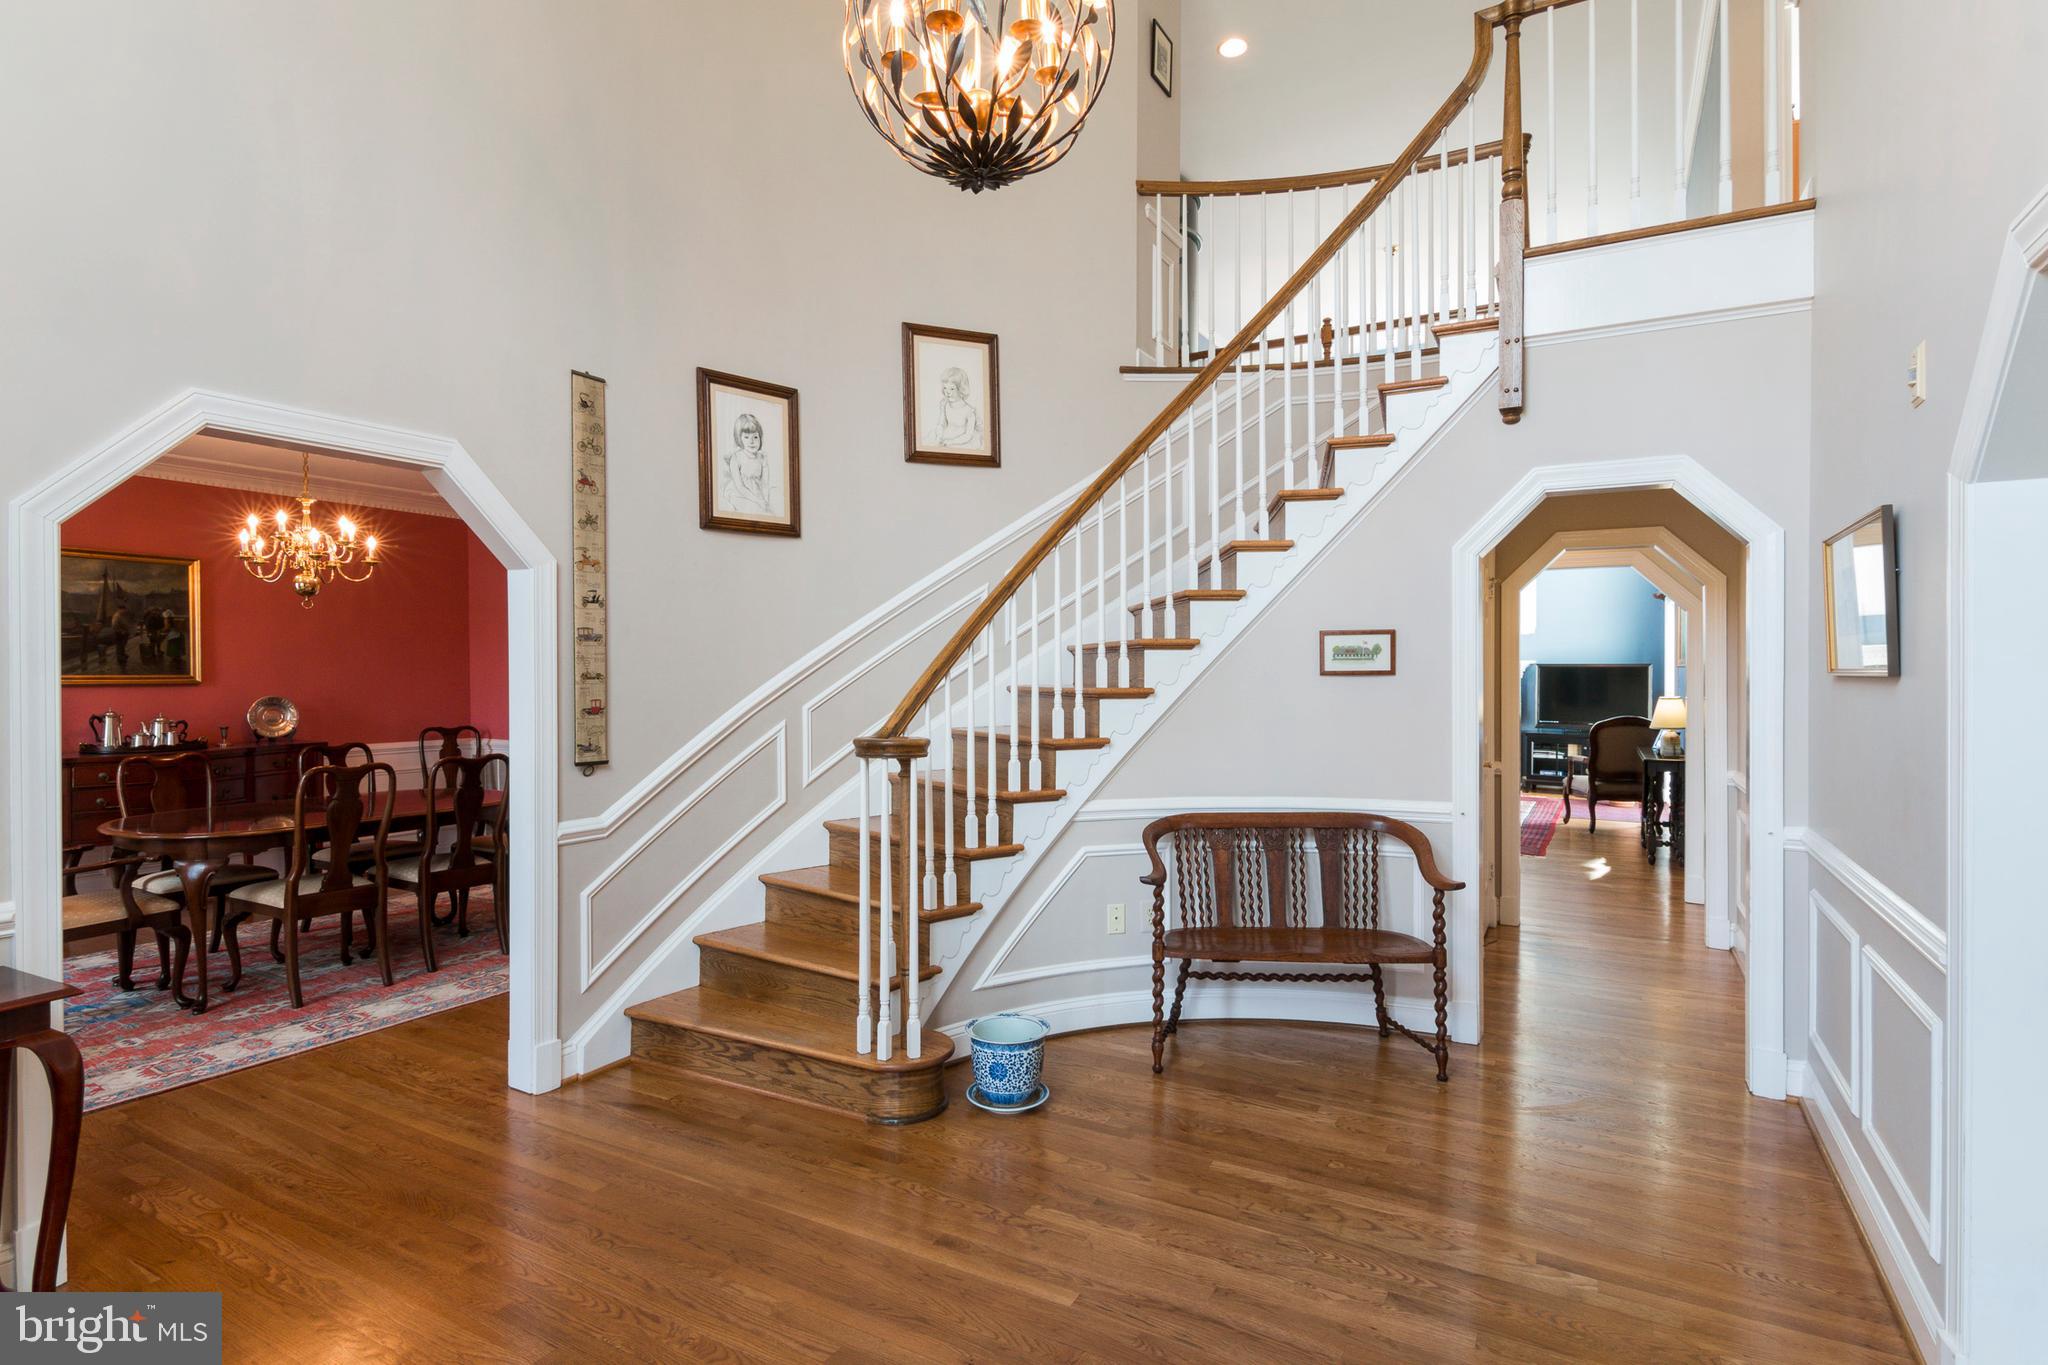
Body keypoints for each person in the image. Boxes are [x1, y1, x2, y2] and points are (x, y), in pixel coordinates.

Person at [720, 412, 778, 518]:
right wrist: (757, 500)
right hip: (740, 494)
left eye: (755, 437)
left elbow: (765, 483)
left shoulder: (762, 458)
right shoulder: (736, 458)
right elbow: (740, 486)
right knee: (753, 510)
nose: (752, 441)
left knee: (768, 512)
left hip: (757, 493)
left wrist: (764, 500)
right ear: (740, 439)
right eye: (746, 437)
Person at [926, 365, 984, 450]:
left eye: (952, 389)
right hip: (945, 437)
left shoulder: (969, 411)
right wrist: (939, 436)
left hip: (961, 442)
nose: (947, 392)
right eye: (945, 388)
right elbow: (941, 424)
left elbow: (968, 435)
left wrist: (950, 442)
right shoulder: (944, 404)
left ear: (961, 389)